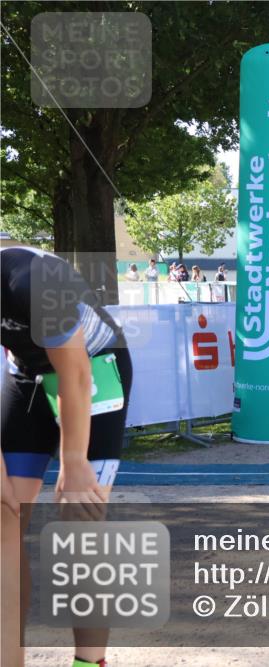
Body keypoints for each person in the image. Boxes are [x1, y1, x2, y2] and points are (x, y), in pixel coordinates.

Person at [2, 247, 133, 667]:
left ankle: (88, 662)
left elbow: (76, 374)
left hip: (94, 367)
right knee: (3, 517)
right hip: (26, 376)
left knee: (80, 524)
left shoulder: (37, 278)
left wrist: (73, 460)